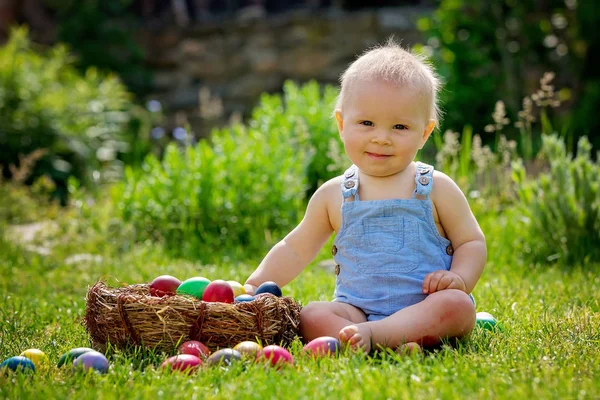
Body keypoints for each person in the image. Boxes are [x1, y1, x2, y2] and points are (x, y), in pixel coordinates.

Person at [244, 39, 487, 354]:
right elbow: (294, 248)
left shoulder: (434, 187)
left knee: (456, 306)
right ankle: (384, 340)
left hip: (425, 307)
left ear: (424, 133)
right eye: (366, 123)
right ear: (342, 124)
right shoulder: (334, 194)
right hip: (355, 311)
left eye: (399, 126)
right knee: (312, 314)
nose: (381, 138)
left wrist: (458, 279)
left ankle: (379, 336)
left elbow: (471, 242)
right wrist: (255, 285)